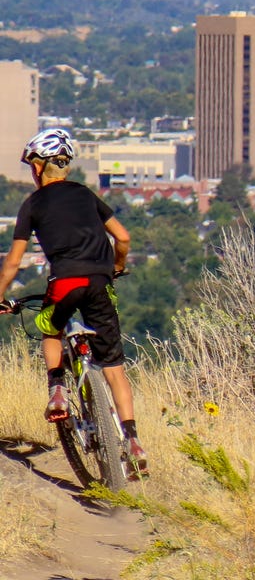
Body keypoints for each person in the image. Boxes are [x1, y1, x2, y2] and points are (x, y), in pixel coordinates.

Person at [0, 128, 147, 480]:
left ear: (38, 168)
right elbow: (123, 237)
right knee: (113, 368)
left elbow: (13, 262)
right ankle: (133, 441)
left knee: (49, 327)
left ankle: (58, 391)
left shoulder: (32, 205)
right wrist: (117, 266)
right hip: (100, 282)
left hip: (65, 281)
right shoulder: (86, 195)